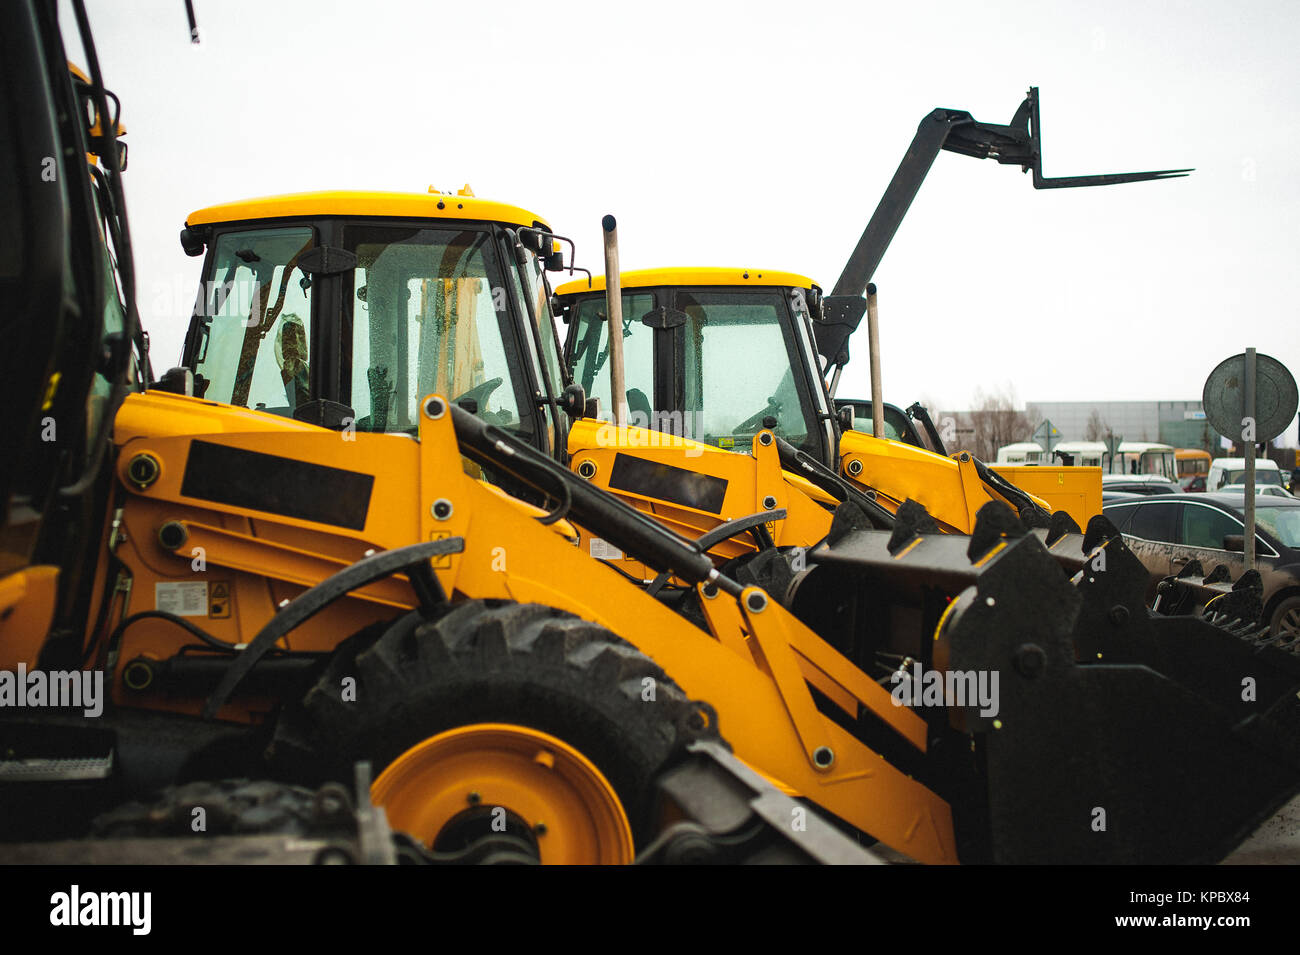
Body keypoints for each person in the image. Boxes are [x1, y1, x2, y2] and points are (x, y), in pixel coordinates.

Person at [274, 314, 311, 407]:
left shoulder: (299, 367)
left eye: (300, 336)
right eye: (289, 339)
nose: (296, 341)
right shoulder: (291, 367)